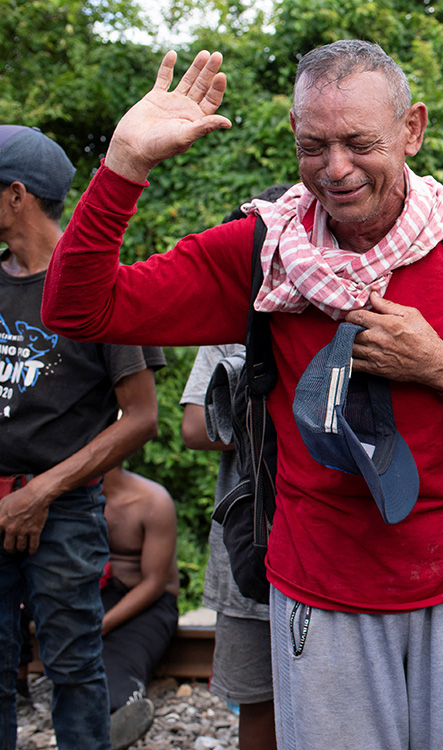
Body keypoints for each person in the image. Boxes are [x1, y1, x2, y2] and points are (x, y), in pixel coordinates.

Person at [41, 41, 443, 749]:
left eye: (360, 142)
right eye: (313, 145)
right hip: (321, 590)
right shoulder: (264, 250)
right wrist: (125, 166)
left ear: (412, 129)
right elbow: (79, 311)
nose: (337, 169)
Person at [0, 124, 163, 750]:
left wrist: (41, 490)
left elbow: (141, 417)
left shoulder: (95, 283)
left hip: (62, 511)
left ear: (17, 196)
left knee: (72, 669)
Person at [178, 187, 288, 750]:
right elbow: (195, 426)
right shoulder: (229, 323)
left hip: (299, 542)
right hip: (250, 547)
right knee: (259, 704)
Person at [100, 466, 179, 749]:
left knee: (119, 664)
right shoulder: (69, 495)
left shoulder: (152, 500)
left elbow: (154, 583)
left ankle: (123, 708)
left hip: (148, 602)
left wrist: (101, 625)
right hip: (98, 595)